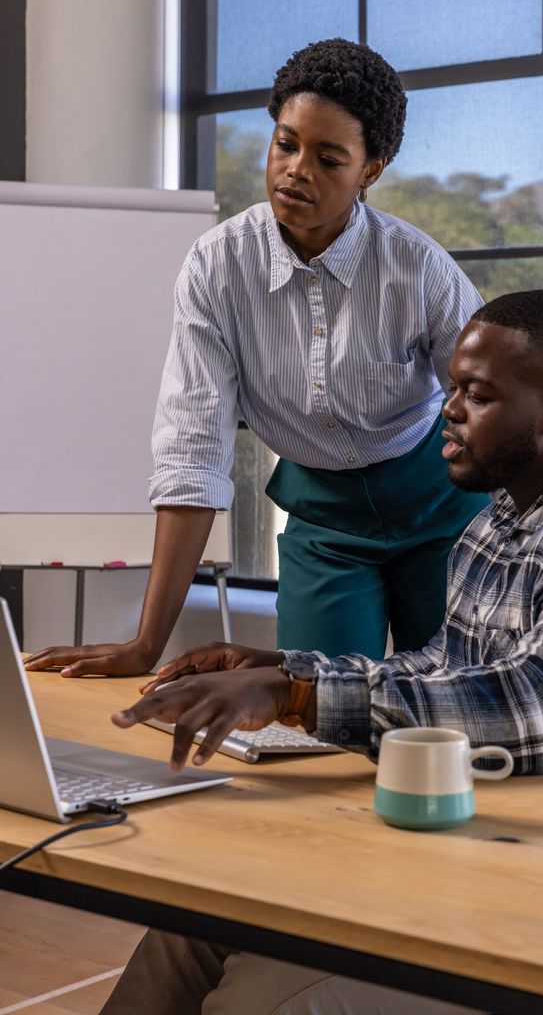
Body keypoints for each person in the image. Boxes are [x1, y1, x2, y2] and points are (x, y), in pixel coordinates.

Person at [99, 289, 543, 1014]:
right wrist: (280, 669)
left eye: (477, 394)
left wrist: (295, 697)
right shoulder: (501, 522)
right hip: (487, 853)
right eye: (453, 387)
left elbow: (533, 712)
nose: (448, 410)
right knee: (187, 929)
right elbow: (443, 668)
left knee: (256, 1003)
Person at [25, 38, 487, 678]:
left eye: (329, 159)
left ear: (371, 170)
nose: (297, 170)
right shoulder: (216, 267)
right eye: (286, 143)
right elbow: (194, 453)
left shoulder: (420, 269)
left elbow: (490, 411)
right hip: (326, 524)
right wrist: (144, 644)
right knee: (311, 710)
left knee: (461, 694)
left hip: (442, 512)